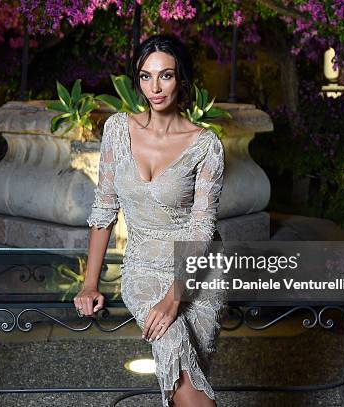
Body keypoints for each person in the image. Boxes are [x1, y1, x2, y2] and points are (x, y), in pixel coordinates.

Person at [74, 34, 226, 407]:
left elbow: (202, 229)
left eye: (166, 76)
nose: (155, 88)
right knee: (175, 353)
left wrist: (174, 298)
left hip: (198, 272)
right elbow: (103, 209)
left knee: (186, 379)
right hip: (142, 268)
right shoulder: (116, 130)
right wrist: (90, 284)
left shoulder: (206, 145)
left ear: (182, 79)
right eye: (146, 76)